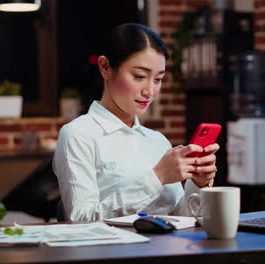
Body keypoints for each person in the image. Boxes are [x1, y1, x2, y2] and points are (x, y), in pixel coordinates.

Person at [53, 23, 219, 222]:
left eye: (158, 79)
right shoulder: (78, 135)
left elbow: (179, 218)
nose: (149, 91)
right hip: (116, 252)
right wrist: (157, 177)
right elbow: (80, 220)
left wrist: (198, 184)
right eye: (139, 76)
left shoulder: (157, 141)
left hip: (170, 250)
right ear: (105, 67)